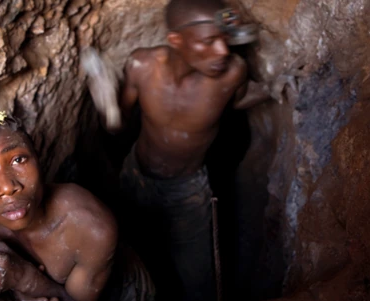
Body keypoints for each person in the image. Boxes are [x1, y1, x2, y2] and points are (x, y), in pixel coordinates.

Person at [108, 0, 271, 300]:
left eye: (225, 40)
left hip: (188, 193)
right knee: (130, 267)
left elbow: (235, 100)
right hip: (135, 178)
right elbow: (119, 121)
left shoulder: (232, 73)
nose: (222, 51)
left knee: (200, 283)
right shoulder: (142, 66)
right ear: (176, 40)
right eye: (209, 41)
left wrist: (274, 86)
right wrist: (109, 111)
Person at [0, 111, 155, 301]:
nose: (7, 187)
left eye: (17, 159)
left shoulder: (91, 228)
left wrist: (24, 278)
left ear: (38, 158)